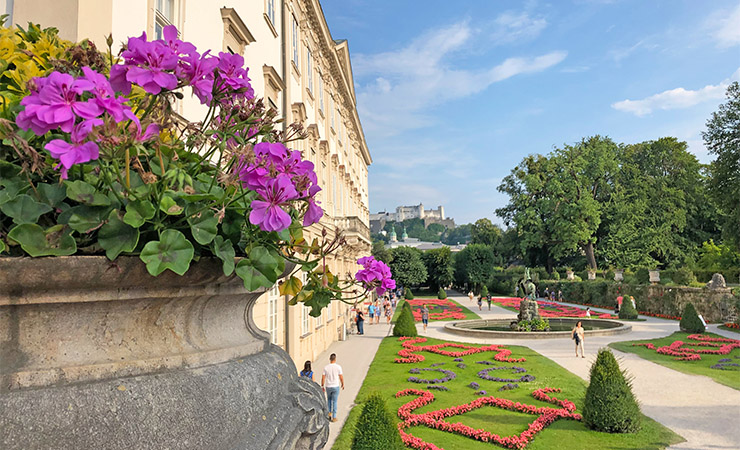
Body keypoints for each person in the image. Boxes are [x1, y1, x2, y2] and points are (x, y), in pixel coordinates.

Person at [321, 353, 345, 422]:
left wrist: (322, 385)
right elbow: (341, 377)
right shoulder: (338, 367)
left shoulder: (326, 367)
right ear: (335, 359)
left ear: (330, 359)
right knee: (335, 401)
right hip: (335, 386)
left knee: (329, 400)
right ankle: (334, 417)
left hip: (328, 386)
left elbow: (323, 378)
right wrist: (342, 384)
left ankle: (329, 414)